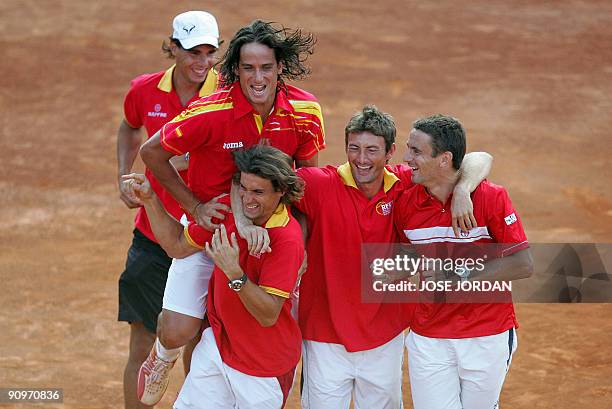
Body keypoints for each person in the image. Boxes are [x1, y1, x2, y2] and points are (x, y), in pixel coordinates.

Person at [136, 20, 325, 405]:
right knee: (177, 328)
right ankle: (163, 355)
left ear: (280, 68)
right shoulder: (208, 111)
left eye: (266, 67)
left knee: (258, 318)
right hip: (213, 227)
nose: (258, 77)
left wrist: (299, 246)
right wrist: (193, 206)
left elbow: (305, 184)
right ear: (234, 70)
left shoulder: (305, 111)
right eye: (248, 67)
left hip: (269, 236)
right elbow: (152, 152)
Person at [282, 105, 491, 409]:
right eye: (354, 148)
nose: (361, 159)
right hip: (323, 336)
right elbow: (264, 184)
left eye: (371, 150)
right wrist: (295, 237)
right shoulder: (318, 184)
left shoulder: (406, 182)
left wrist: (463, 190)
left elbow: (478, 159)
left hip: (385, 337)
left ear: (391, 151)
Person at [123, 145, 306, 409]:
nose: (247, 199)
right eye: (243, 188)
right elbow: (176, 245)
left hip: (263, 368)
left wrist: (235, 273)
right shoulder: (228, 213)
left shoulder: (286, 240)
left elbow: (268, 314)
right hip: (219, 345)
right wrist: (151, 199)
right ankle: (163, 355)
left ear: (281, 192)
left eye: (258, 192)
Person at [116, 10, 220, 409]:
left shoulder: (227, 94)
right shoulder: (144, 90)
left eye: (211, 52)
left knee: (198, 345)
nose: (203, 62)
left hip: (203, 240)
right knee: (143, 343)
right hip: (153, 236)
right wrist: (123, 172)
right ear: (173, 48)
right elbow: (129, 126)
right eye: (194, 52)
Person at [394, 114, 533, 409]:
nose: (406, 158)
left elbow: (523, 263)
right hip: (429, 336)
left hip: (487, 334)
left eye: (416, 151)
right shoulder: (405, 202)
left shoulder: (491, 198)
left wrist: (460, 274)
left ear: (444, 159)